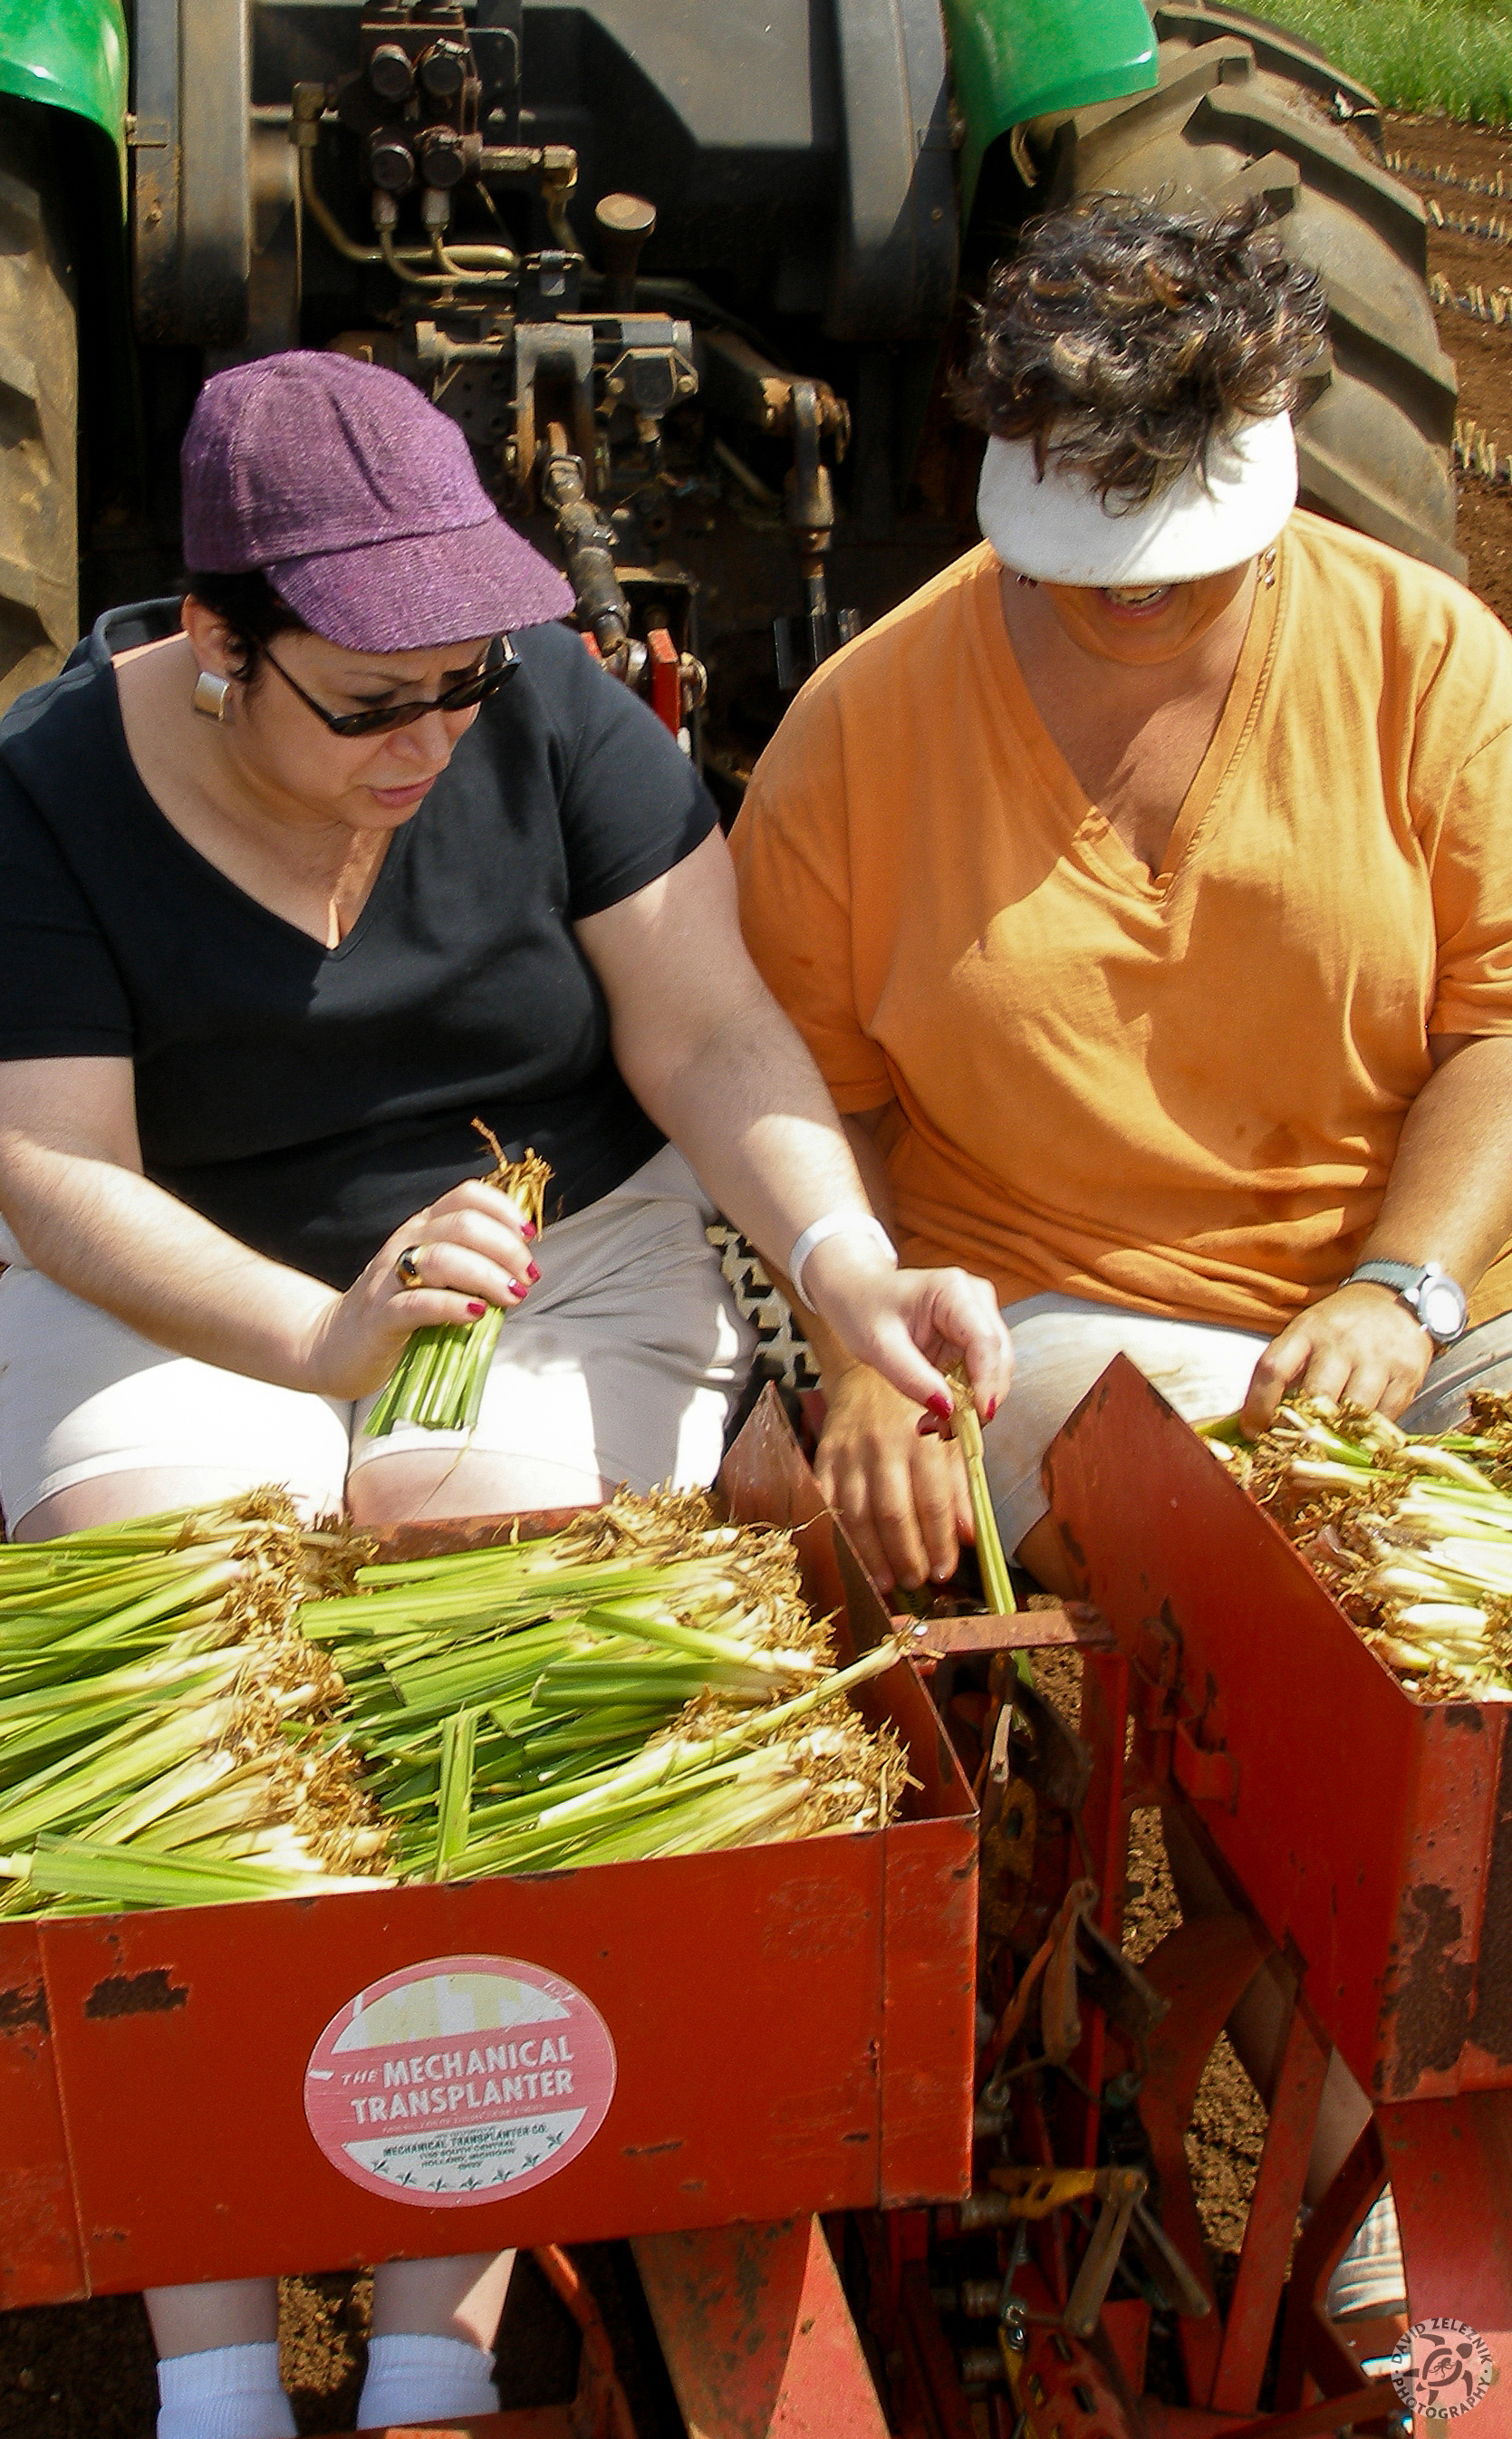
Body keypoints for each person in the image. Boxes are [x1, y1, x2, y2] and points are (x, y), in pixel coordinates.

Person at [0, 351, 1010, 2439]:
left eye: (469, 674)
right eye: (375, 700)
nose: (436, 732)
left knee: (506, 1623)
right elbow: (55, 1168)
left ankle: (434, 2324)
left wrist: (844, 1257)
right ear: (220, 645)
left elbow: (705, 1034)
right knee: (176, 1639)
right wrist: (325, 1341)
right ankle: (219, 2366)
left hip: (558, 1246)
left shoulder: (542, 711)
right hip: (188, 1273)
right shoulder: (56, 785)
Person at [729, 194, 1512, 2319]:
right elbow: (792, 1099)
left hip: (1404, 1301)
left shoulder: (1426, 661)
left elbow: (1497, 1021)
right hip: (1045, 1318)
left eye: (1189, 565)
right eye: (1096, 574)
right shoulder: (866, 733)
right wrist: (861, 1329)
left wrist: (1401, 1288)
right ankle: (1367, 2216)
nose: (1143, 606)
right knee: (1286, 1657)